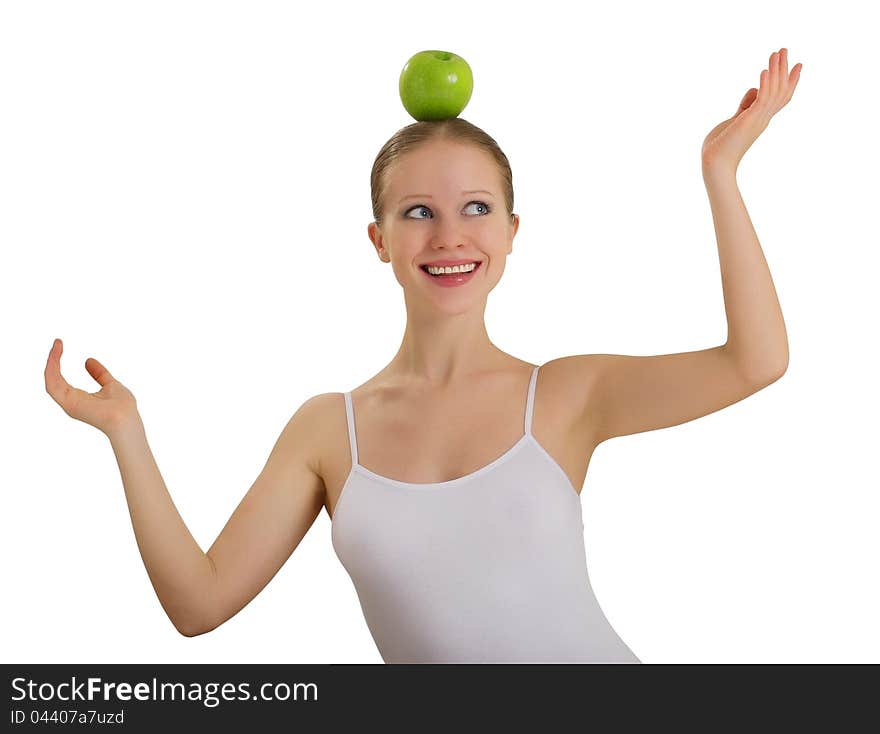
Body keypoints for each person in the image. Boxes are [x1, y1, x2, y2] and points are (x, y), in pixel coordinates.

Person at [44, 49, 797, 662]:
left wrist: (720, 175)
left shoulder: (569, 395)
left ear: (511, 231)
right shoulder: (326, 431)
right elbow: (199, 605)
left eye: (477, 208)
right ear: (379, 240)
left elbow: (755, 362)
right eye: (417, 213)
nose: (449, 237)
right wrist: (126, 434)